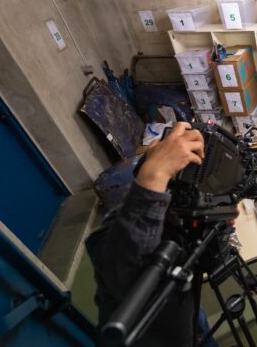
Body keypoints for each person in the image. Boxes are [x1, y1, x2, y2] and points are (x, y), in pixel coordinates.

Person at [86, 122, 216, 347]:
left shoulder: (174, 217)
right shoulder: (114, 237)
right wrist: (155, 175)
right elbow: (124, 271)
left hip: (190, 319)